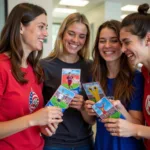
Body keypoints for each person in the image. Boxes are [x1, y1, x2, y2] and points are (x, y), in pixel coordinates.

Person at [0, 3, 63, 150]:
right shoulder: (2, 68)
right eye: (41, 27)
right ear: (21, 27)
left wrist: (42, 126)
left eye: (46, 28)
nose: (46, 33)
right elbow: (31, 119)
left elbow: (30, 117)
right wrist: (33, 120)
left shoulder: (35, 70)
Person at [84, 20, 145, 150]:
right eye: (102, 41)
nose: (107, 45)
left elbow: (138, 128)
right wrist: (87, 108)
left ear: (122, 45)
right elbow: (92, 120)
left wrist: (121, 110)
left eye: (113, 40)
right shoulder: (94, 78)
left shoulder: (136, 78)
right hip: (102, 144)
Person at [40, 12, 94, 150]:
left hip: (84, 142)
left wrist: (82, 107)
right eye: (71, 33)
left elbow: (92, 120)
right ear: (62, 33)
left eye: (82, 36)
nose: (76, 40)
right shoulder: (43, 66)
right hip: (54, 142)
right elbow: (35, 110)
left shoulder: (91, 67)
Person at [101, 3, 150, 150]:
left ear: (148, 39)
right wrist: (121, 110)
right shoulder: (145, 73)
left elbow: (137, 129)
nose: (122, 50)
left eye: (127, 42)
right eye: (121, 43)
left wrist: (135, 129)